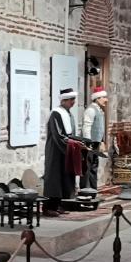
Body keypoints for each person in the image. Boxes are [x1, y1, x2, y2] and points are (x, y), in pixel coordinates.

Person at [43, 87, 81, 215]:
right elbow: (58, 135)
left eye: (74, 99)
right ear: (63, 100)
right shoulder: (56, 113)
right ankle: (49, 207)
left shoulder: (68, 113)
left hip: (65, 150)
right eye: (71, 99)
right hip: (56, 151)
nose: (73, 102)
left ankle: (58, 205)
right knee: (54, 178)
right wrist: (71, 144)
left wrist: (76, 143)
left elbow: (71, 134)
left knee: (63, 178)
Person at [81, 87, 110, 190]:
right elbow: (86, 127)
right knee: (87, 167)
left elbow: (99, 129)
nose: (106, 100)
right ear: (97, 98)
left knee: (94, 166)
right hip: (90, 143)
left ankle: (93, 189)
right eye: (104, 97)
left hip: (95, 143)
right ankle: (85, 190)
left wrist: (101, 141)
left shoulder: (99, 110)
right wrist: (88, 143)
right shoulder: (91, 110)